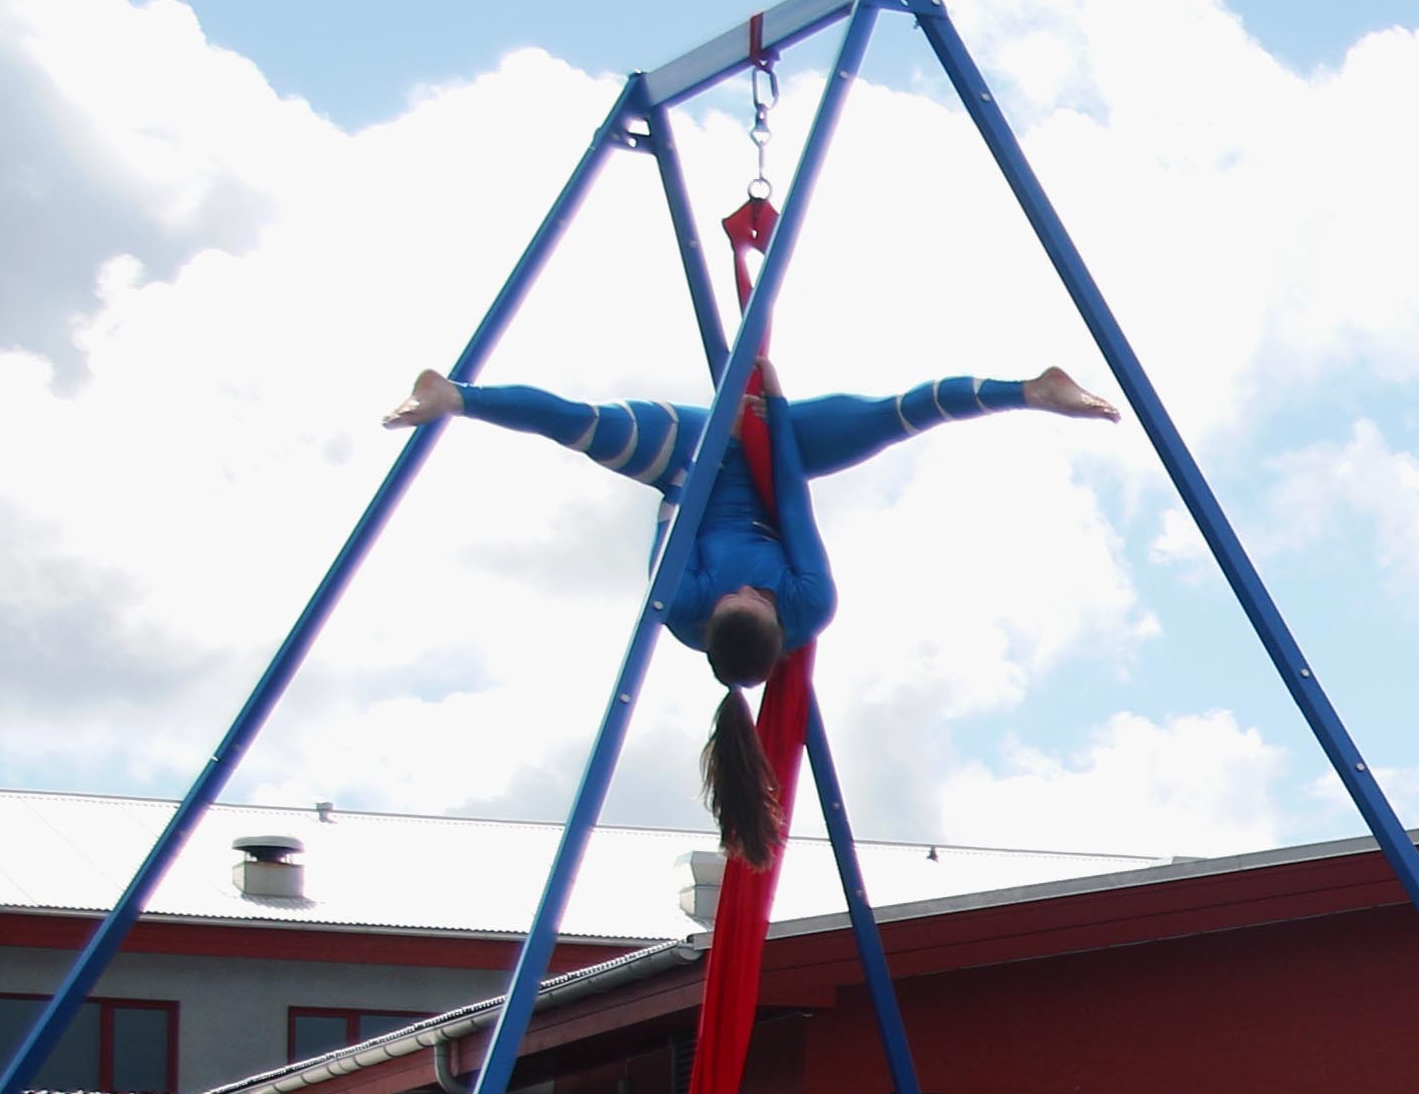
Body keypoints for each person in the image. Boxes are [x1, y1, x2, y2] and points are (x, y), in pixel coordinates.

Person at [386, 349, 1118, 857]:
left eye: (735, 595)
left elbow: (677, 507)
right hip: (776, 457)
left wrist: (717, 439)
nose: (747, 588)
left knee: (578, 425)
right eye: (756, 598)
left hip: (689, 455)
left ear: (715, 617)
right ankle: (1033, 389)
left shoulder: (679, 605)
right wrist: (763, 413)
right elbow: (795, 506)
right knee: (896, 415)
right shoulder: (811, 603)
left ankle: (455, 397)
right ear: (775, 622)